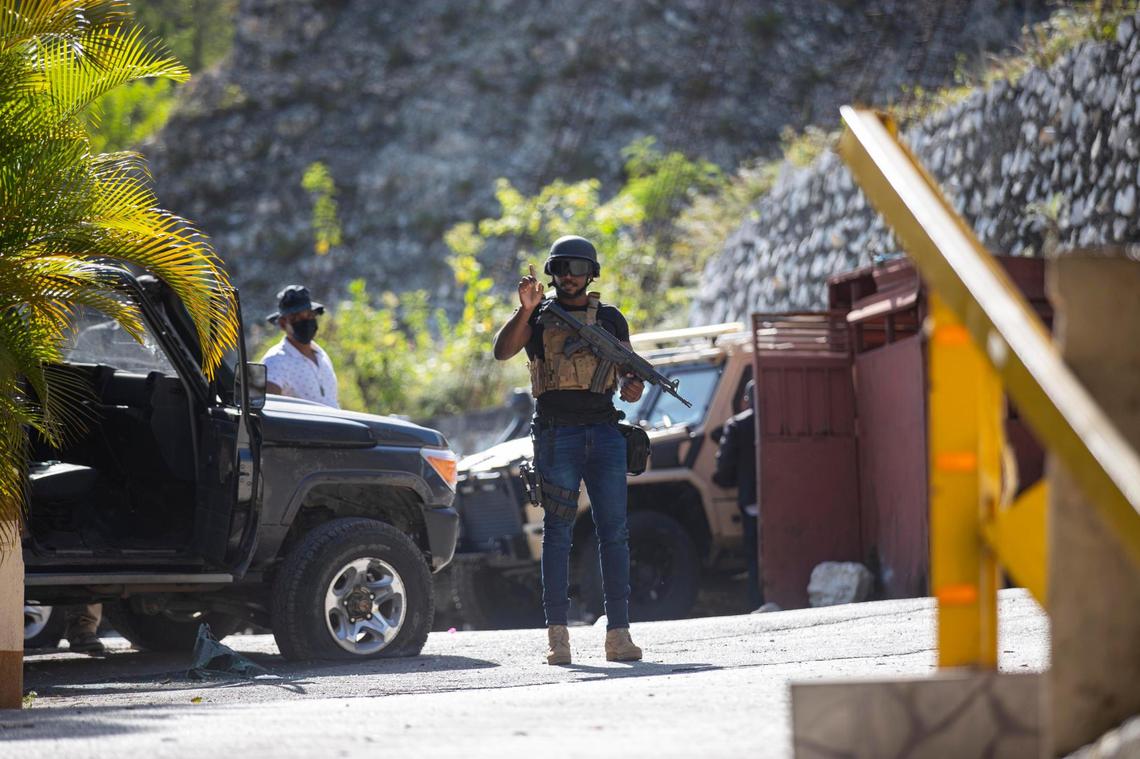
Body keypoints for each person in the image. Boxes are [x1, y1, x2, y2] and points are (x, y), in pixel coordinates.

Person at [492, 235, 645, 665]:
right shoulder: (539, 317)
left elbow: (628, 380)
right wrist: (524, 310)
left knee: (614, 533)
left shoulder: (610, 319)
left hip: (605, 432)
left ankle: (619, 634)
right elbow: (503, 351)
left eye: (578, 268)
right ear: (552, 273)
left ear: (592, 273)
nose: (570, 277)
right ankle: (558, 637)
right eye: (561, 268)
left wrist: (631, 388)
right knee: (557, 534)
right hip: (558, 436)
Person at [713, 379, 763, 609]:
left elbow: (724, 464)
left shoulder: (737, 425)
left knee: (753, 554)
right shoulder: (775, 420)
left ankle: (757, 600)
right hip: (780, 499)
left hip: (751, 499)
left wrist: (725, 481)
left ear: (745, 400)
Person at [262, 285, 340, 408]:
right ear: (283, 323)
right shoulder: (275, 361)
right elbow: (266, 411)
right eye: (296, 318)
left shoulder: (322, 355)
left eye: (309, 315)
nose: (306, 322)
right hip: (303, 428)